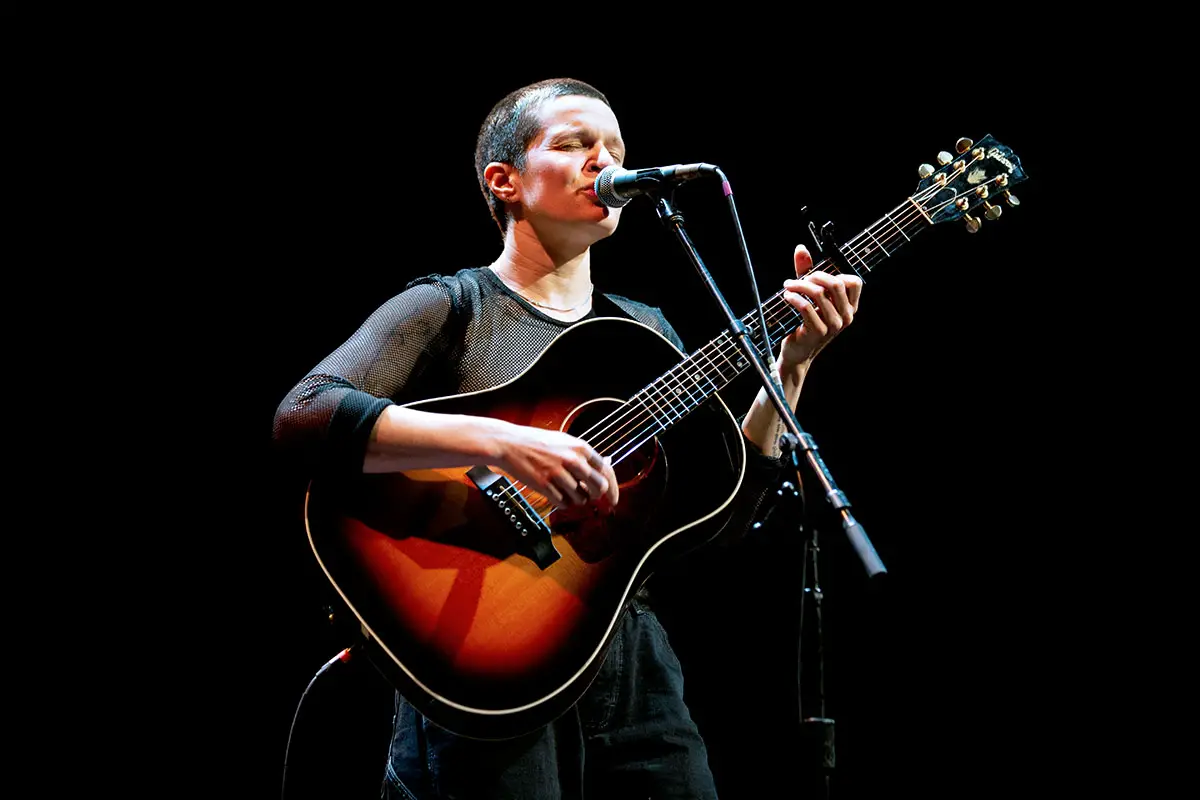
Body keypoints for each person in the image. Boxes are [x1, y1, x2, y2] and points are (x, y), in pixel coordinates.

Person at [273, 77, 862, 799]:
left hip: (629, 656)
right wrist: (503, 444)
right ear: (505, 181)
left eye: (614, 147)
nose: (604, 161)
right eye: (576, 144)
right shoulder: (453, 306)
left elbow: (711, 524)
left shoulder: (644, 331)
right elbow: (305, 412)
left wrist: (788, 371)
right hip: (478, 651)